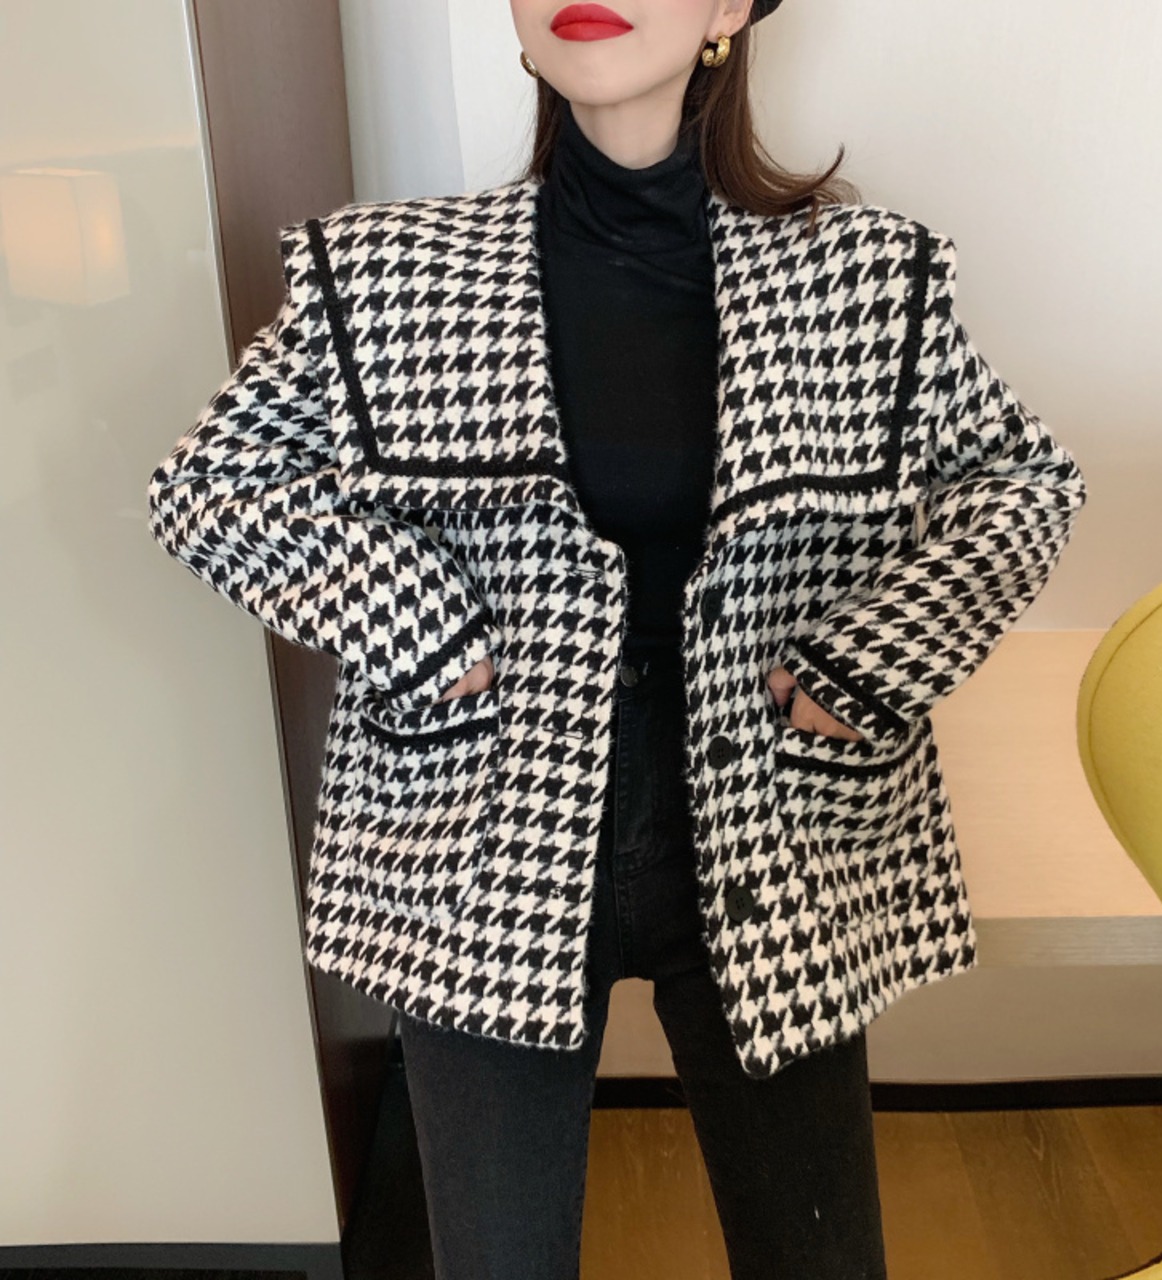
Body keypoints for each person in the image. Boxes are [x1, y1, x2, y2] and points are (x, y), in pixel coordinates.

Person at [146, 1, 1088, 1276]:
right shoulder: (387, 273)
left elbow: (1022, 485)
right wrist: (420, 623)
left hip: (768, 810)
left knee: (818, 1259)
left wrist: (865, 664)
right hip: (481, 822)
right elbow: (213, 485)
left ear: (728, 10)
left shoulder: (861, 274)